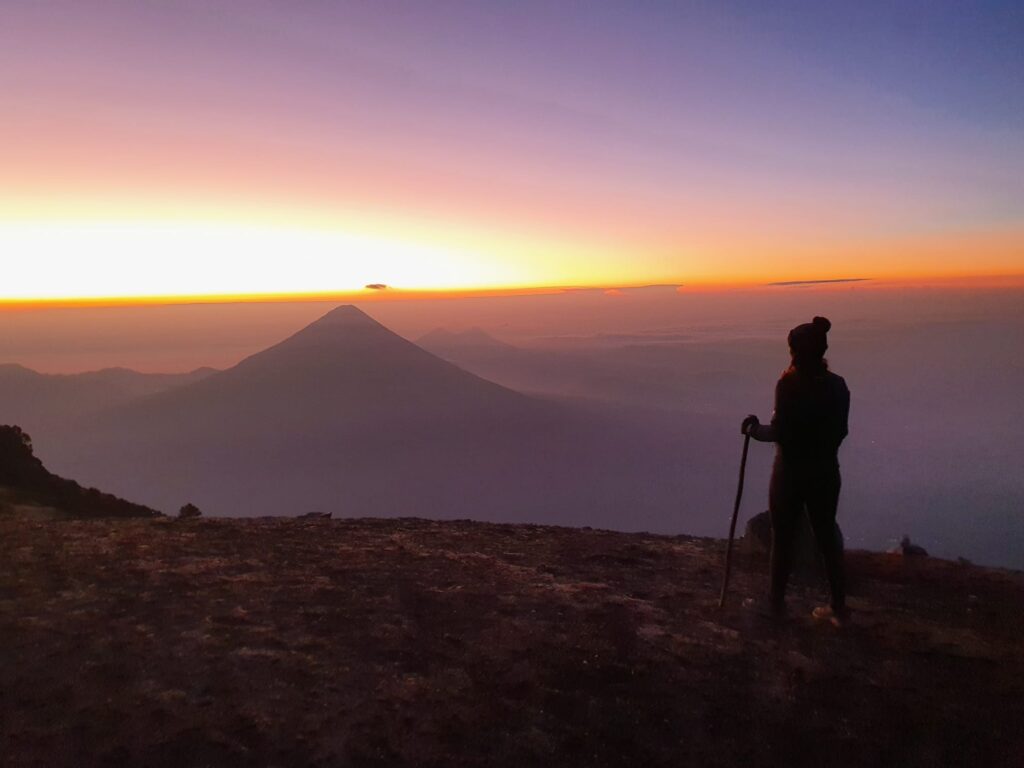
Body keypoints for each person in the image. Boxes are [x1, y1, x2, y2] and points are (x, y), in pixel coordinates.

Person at [741, 316, 851, 626]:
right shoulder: (838, 386)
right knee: (826, 536)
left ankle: (775, 605)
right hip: (827, 472)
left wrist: (752, 429)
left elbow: (778, 432)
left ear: (796, 353)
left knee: (783, 537)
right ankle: (838, 608)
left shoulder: (788, 385)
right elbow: (841, 431)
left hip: (790, 473)